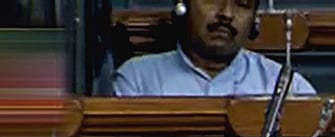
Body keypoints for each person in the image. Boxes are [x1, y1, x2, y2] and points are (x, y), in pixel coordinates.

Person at [112, 0, 315, 97]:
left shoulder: (287, 87)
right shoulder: (136, 81)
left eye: (242, 4)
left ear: (254, 20)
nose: (226, 14)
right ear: (183, 6)